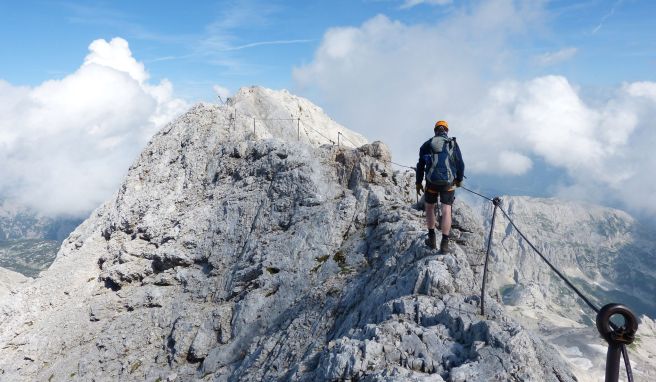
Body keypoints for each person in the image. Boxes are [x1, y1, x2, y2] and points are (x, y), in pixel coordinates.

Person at [416, 120, 465, 252]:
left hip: (431, 182)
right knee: (446, 209)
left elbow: (420, 165)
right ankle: (444, 244)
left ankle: (432, 239)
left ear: (435, 131)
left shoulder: (427, 144)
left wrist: (418, 182)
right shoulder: (452, 144)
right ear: (446, 131)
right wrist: (459, 179)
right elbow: (460, 164)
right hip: (448, 183)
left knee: (430, 207)